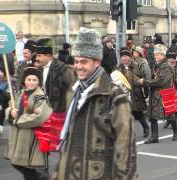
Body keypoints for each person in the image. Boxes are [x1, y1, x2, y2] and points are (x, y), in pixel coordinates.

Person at [56, 27, 138, 180]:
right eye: (76, 61)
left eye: (84, 62)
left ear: (97, 62)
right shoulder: (73, 91)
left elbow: (126, 145)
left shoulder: (114, 95)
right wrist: (58, 171)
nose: (78, 66)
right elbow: (67, 138)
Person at [5, 67, 52, 180]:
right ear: (24, 81)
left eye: (34, 80)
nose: (31, 82)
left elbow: (40, 116)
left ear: (39, 82)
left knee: (29, 165)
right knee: (17, 163)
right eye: (29, 79)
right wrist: (11, 112)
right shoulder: (21, 93)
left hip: (32, 136)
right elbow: (11, 106)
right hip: (19, 135)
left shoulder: (40, 97)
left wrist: (18, 120)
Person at [35, 38, 75, 151]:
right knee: (43, 144)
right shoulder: (39, 69)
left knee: (60, 147)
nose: (37, 58)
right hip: (43, 113)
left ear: (48, 55)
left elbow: (73, 88)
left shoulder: (62, 68)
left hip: (58, 113)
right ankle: (43, 165)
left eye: (39, 55)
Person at [139, 44, 177, 143]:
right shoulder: (158, 65)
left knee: (170, 116)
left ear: (163, 55)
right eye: (155, 55)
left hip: (165, 94)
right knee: (153, 116)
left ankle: (176, 131)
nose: (156, 56)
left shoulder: (167, 67)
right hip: (156, 94)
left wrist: (145, 82)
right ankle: (154, 137)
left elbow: (160, 81)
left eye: (158, 54)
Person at [118, 47, 150, 138]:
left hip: (136, 93)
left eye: (125, 56)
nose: (124, 58)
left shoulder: (136, 65)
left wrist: (145, 89)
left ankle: (146, 127)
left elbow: (143, 78)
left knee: (138, 114)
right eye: (122, 56)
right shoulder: (119, 68)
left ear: (129, 57)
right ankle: (130, 133)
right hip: (124, 94)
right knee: (126, 115)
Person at [163, 50, 177, 129]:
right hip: (167, 89)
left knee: (175, 106)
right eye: (169, 58)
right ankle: (169, 120)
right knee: (167, 106)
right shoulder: (165, 67)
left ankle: (172, 120)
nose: (171, 60)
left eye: (172, 58)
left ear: (175, 59)